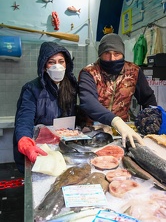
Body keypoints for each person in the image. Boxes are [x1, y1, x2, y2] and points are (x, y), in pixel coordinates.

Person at [78, 33, 157, 148]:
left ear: (123, 54)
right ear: (100, 54)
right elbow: (89, 102)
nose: (112, 59)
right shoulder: (89, 73)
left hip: (122, 132)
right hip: (92, 131)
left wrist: (154, 116)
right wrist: (116, 121)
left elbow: (147, 99)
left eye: (117, 54)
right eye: (107, 53)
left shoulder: (134, 71)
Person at [13, 42, 77, 173]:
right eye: (51, 62)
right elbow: (24, 119)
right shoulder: (31, 89)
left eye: (61, 61)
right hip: (39, 148)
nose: (57, 66)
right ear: (43, 66)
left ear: (66, 64)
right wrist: (25, 142)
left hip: (62, 147)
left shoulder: (71, 87)